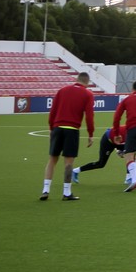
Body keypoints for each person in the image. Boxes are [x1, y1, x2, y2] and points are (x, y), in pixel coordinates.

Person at [40, 72, 95, 201]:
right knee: (68, 163)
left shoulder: (62, 90)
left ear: (77, 79)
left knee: (52, 160)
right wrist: (90, 134)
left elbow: (53, 111)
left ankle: (45, 190)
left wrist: (51, 128)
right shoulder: (87, 94)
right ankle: (66, 192)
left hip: (57, 128)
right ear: (87, 83)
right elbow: (89, 116)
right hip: (72, 129)